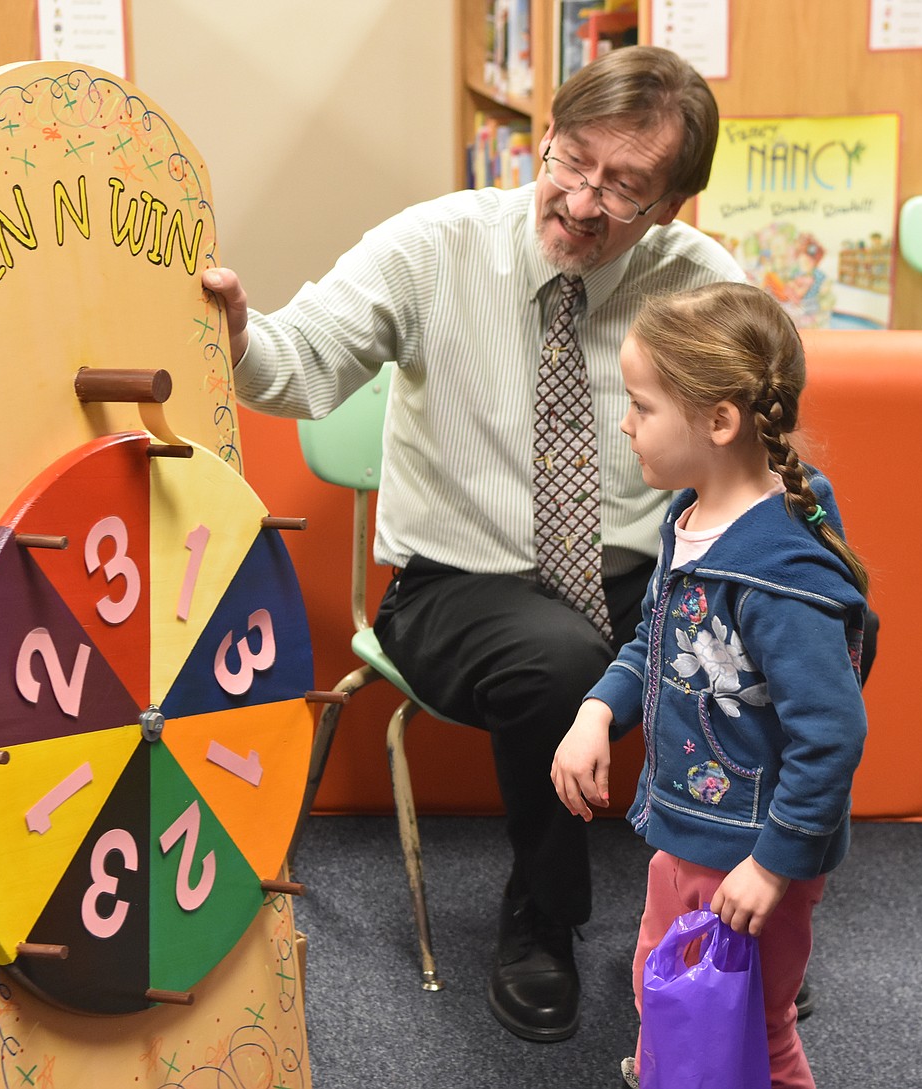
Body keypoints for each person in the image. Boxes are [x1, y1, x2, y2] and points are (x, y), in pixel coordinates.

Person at [204, 45, 745, 1042]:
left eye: (623, 189)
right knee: (565, 662)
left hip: (638, 575)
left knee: (787, 618)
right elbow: (305, 361)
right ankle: (542, 918)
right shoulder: (437, 243)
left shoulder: (699, 283)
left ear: (671, 206)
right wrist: (238, 334)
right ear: (543, 139)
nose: (581, 201)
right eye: (571, 160)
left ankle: (744, 917)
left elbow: (755, 443)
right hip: (455, 586)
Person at [550, 281, 868, 1088]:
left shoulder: (777, 578)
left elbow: (833, 735)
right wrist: (597, 711)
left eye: (641, 405)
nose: (626, 422)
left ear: (719, 422)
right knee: (664, 986)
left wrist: (772, 864)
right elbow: (655, 644)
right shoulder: (689, 522)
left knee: (755, 1027)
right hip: (684, 828)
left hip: (751, 852)